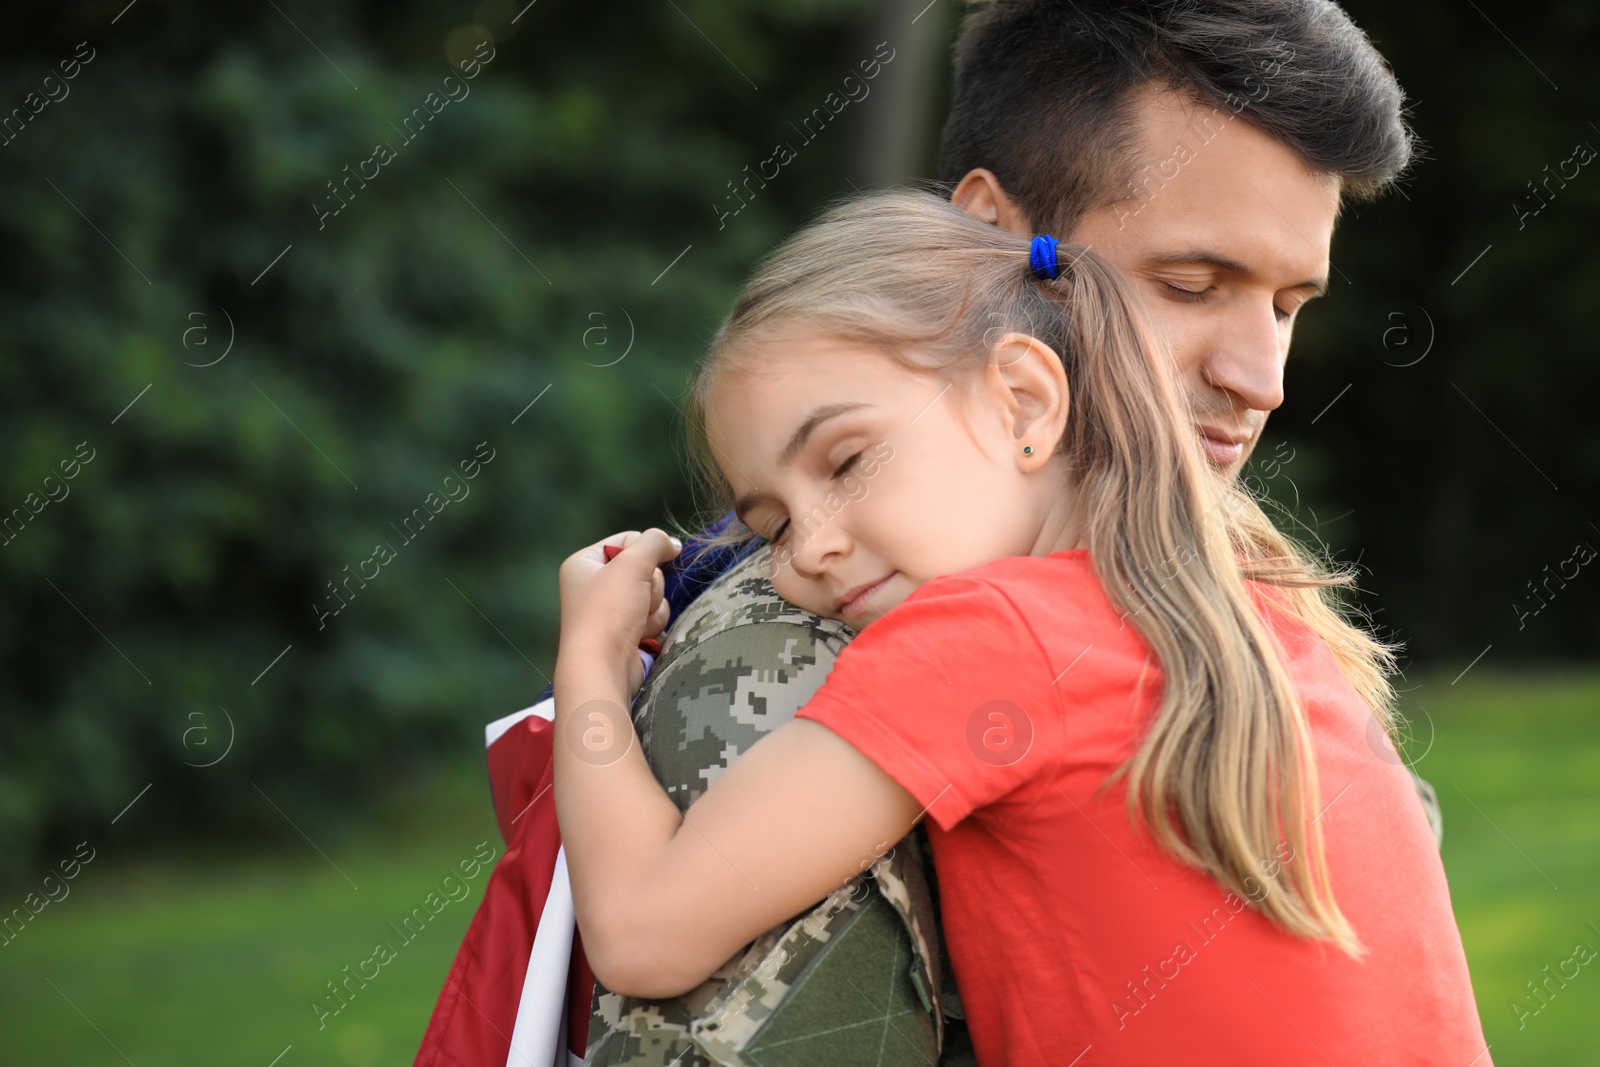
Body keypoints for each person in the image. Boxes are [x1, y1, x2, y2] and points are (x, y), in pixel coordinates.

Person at [575, 2, 1438, 1064]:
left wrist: (589, 661)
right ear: (994, 236)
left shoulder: (993, 632)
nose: (1262, 379)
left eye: (1288, 303)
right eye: (1189, 285)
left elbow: (642, 931)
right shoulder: (1264, 615)